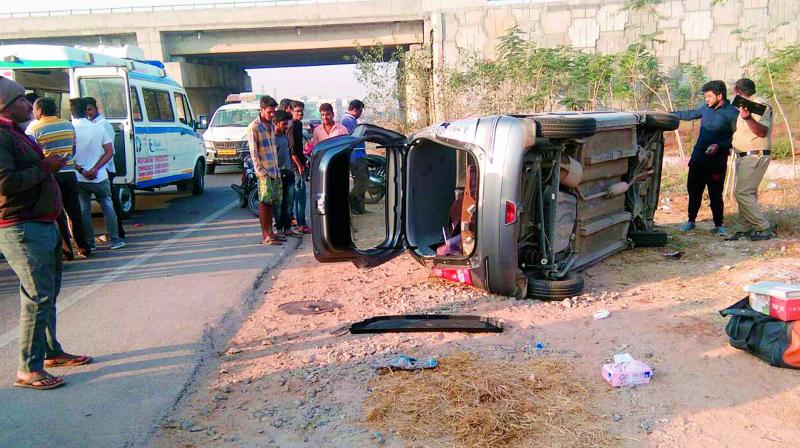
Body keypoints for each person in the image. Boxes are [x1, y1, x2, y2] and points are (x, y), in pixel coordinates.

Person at [0, 77, 92, 391]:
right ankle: (28, 368)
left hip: (41, 221)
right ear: (5, 104)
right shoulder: (1, 137)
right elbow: (5, 184)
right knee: (37, 296)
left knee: (48, 292)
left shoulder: (15, 133)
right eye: (23, 101)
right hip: (21, 225)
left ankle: (50, 352)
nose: (30, 105)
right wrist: (46, 168)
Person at [26, 97, 92, 259]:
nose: (33, 112)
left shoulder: (33, 130)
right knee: (75, 212)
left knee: (57, 213)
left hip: (50, 175)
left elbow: (32, 155)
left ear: (40, 110)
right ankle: (83, 248)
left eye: (34, 109)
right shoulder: (68, 125)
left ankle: (66, 251)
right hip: (69, 173)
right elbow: (73, 149)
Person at [672, 80, 739, 234]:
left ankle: (719, 224)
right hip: (698, 159)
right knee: (694, 191)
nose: (706, 99)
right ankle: (691, 220)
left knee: (715, 193)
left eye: (709, 96)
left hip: (717, 162)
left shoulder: (732, 113)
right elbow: (689, 114)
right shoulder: (706, 109)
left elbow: (736, 138)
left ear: (719, 95)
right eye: (705, 96)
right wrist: (669, 114)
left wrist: (719, 146)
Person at [71, 98, 126, 250]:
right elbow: (110, 152)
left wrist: (82, 170)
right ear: (85, 111)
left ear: (72, 112)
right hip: (100, 176)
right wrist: (95, 168)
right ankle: (115, 240)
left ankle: (89, 243)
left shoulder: (69, 129)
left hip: (79, 177)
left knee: (83, 210)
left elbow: (67, 156)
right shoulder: (98, 128)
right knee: (108, 206)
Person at [725, 78, 774, 241]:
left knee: (742, 193)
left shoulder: (759, 106)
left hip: (754, 155)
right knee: (748, 193)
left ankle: (763, 227)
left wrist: (747, 118)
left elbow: (761, 132)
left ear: (737, 91)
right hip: (745, 155)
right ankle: (744, 227)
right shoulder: (746, 107)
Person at [85, 97, 126, 239]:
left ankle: (117, 233)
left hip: (105, 168)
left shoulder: (103, 124)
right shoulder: (89, 125)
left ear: (96, 109)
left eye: (90, 109)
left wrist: (96, 167)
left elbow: (108, 150)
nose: (88, 112)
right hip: (93, 169)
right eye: (86, 110)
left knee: (109, 203)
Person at [247, 95, 283, 246]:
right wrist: (260, 172)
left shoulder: (270, 126)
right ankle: (265, 235)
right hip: (264, 172)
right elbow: (254, 153)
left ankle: (271, 232)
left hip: (274, 169)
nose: (272, 114)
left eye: (274, 111)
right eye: (269, 111)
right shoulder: (254, 127)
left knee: (272, 203)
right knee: (264, 203)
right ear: (261, 110)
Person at [273, 110, 300, 239]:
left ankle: (287, 229)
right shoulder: (272, 139)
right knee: (278, 204)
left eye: (287, 124)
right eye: (284, 124)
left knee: (288, 202)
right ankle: (279, 230)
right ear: (276, 123)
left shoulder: (284, 137)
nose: (286, 126)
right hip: (278, 174)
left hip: (288, 173)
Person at [287, 100, 311, 234]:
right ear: (291, 111)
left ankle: (299, 222)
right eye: (297, 111)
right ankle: (301, 224)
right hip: (295, 166)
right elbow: (292, 151)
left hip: (299, 163)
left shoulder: (298, 124)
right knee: (300, 196)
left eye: (301, 111)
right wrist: (300, 166)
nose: (300, 113)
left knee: (299, 195)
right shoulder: (292, 126)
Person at [341, 99, 368, 214]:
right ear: (356, 110)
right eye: (361, 110)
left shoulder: (350, 120)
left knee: (362, 181)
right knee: (362, 181)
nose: (361, 113)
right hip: (355, 155)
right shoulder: (348, 121)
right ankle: (353, 202)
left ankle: (360, 208)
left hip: (358, 154)